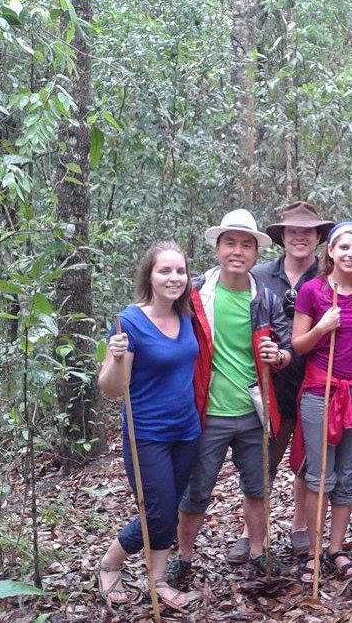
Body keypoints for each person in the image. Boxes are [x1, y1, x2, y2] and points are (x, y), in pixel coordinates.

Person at [165, 209, 292, 586]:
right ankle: (183, 558)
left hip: (254, 411)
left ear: (256, 253)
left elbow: (286, 348)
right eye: (230, 243)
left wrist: (279, 357)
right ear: (218, 248)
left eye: (246, 245)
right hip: (208, 411)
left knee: (257, 487)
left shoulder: (266, 299)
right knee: (197, 490)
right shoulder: (195, 293)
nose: (238, 251)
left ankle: (258, 552)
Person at [96, 241, 201, 611]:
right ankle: (110, 564)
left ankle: (156, 580)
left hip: (186, 430)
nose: (174, 278)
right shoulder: (129, 322)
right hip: (146, 433)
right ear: (149, 276)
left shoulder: (187, 315)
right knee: (156, 509)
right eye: (165, 271)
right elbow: (111, 388)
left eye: (179, 271)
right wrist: (117, 357)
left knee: (168, 507)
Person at [230, 201, 334, 563]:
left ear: (319, 237)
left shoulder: (329, 277)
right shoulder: (259, 275)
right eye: (293, 232)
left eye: (308, 232)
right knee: (261, 461)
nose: (300, 238)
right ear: (282, 237)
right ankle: (249, 532)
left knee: (307, 461)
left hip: (315, 383)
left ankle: (299, 526)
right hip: (268, 384)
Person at [289, 221, 352, 580]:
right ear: (330, 251)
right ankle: (313, 553)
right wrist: (321, 328)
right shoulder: (312, 291)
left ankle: (336, 550)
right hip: (320, 392)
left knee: (347, 474)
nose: (350, 254)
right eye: (343, 247)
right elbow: (298, 345)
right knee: (320, 475)